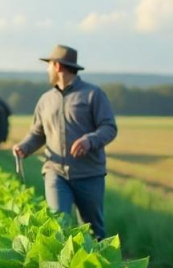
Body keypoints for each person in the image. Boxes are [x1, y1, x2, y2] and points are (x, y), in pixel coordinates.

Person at [12, 44, 118, 240]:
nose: (47, 70)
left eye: (49, 65)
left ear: (58, 66)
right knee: (58, 225)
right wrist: (24, 147)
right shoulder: (45, 100)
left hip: (89, 174)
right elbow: (37, 133)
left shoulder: (93, 94)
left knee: (93, 232)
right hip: (55, 172)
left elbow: (109, 128)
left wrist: (90, 140)